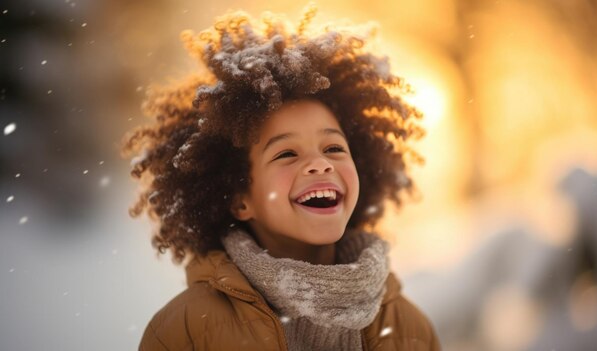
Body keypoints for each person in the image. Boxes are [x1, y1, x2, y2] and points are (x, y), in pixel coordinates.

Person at [125, 6, 440, 351]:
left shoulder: (409, 329)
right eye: (286, 154)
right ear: (239, 199)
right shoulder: (188, 332)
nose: (319, 165)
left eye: (334, 148)